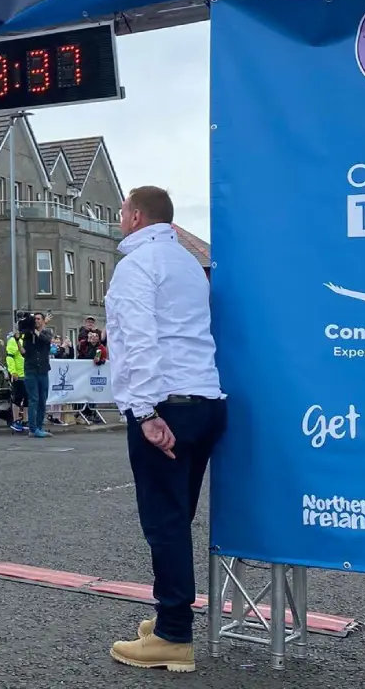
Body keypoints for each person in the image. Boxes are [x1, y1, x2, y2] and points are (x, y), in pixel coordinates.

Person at [105, 186, 225, 674]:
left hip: (167, 406)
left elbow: (138, 338)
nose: (118, 218)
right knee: (179, 516)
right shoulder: (188, 265)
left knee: (164, 523)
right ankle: (169, 617)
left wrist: (145, 411)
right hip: (206, 403)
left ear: (135, 216)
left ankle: (175, 635)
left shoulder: (136, 265)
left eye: (121, 211)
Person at [21, 312, 54, 439]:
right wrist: (18, 341)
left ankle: (39, 427)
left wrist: (41, 327)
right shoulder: (28, 335)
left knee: (42, 399)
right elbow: (24, 352)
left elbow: (45, 341)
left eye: (39, 319)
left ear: (43, 320)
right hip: (30, 370)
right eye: (35, 319)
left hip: (43, 371)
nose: (36, 321)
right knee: (33, 399)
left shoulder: (46, 333)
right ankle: (33, 428)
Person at [5, 331, 27, 432]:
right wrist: (13, 372)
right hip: (19, 374)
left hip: (28, 374)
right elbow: (10, 357)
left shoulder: (27, 338)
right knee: (17, 398)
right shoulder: (13, 340)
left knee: (28, 398)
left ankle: (26, 420)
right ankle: (16, 420)